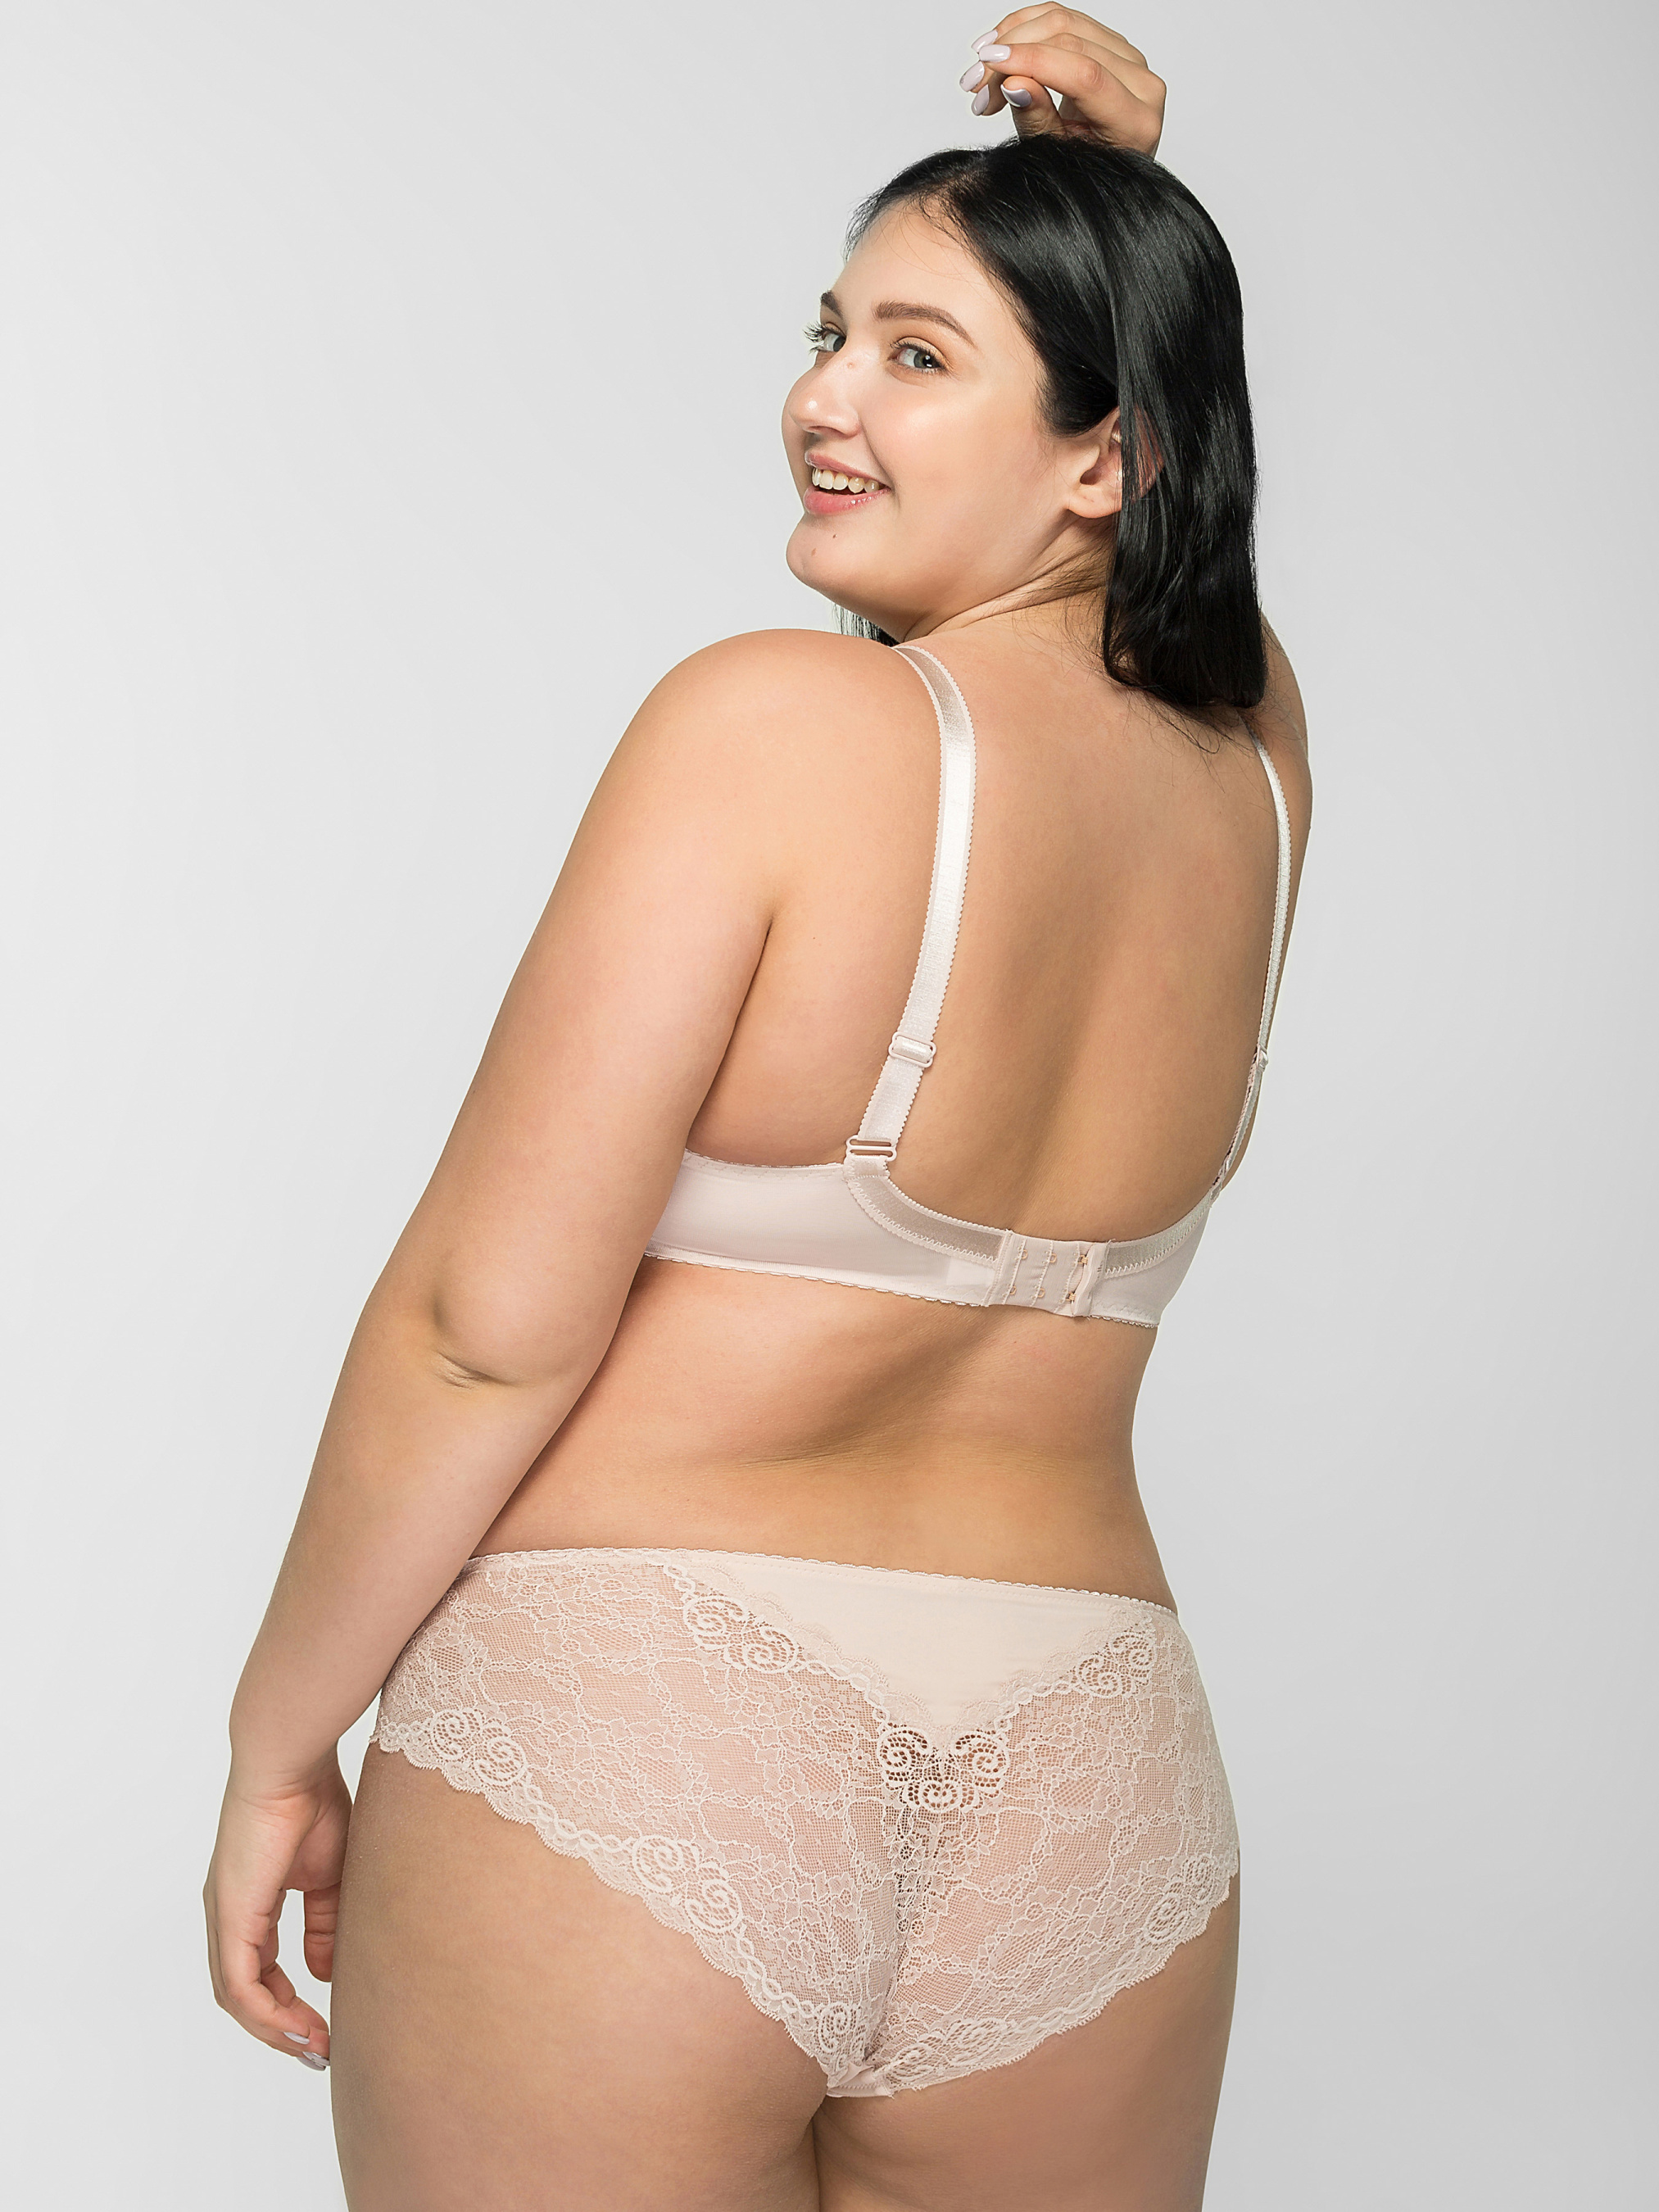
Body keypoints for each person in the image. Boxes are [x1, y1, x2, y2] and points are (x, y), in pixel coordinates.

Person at [204, 13, 1310, 2208]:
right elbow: (1201, 564)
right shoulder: (1254, 770)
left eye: (918, 356)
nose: (822, 398)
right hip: (1091, 1773)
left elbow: (480, 1331)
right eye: (829, 334)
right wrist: (1134, 212)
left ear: (1103, 454)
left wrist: (275, 1739)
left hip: (648, 1719)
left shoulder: (769, 724)